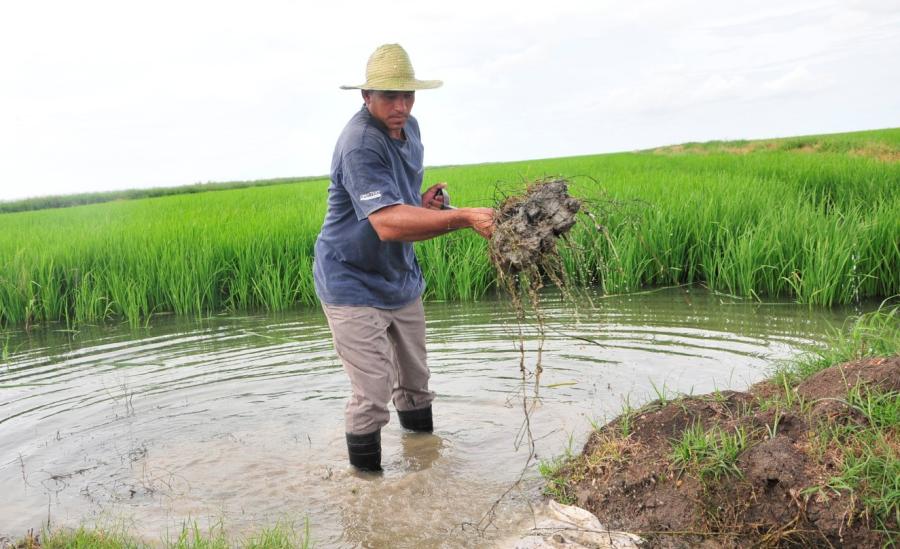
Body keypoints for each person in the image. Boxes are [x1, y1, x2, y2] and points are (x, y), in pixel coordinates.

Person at [313, 44, 495, 472]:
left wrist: (422, 202)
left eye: (407, 96)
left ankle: (423, 467)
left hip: (399, 277)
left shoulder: (409, 129)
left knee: (415, 382)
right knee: (372, 392)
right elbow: (388, 224)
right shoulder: (359, 143)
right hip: (351, 282)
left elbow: (397, 203)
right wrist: (465, 218)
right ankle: (369, 492)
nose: (400, 106)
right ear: (366, 96)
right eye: (389, 96)